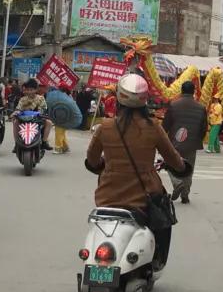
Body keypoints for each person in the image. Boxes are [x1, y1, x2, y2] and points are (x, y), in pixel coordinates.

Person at [84, 74, 186, 269]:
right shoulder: (153, 127)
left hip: (107, 196)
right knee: (164, 224)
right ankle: (156, 262)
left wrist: (100, 165)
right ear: (144, 100)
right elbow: (173, 158)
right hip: (143, 198)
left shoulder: (105, 126)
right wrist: (181, 168)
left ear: (119, 98)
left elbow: (92, 160)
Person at [162, 80, 207, 204]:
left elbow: (165, 124)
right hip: (192, 143)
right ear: (193, 92)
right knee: (189, 168)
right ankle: (185, 194)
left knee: (169, 163)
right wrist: (197, 140)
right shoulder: (201, 108)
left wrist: (162, 139)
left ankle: (177, 183)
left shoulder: (174, 105)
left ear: (181, 90)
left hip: (175, 142)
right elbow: (204, 128)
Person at [15, 78, 51, 149]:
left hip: (37, 119)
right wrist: (15, 113)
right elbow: (18, 109)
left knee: (49, 122)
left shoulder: (41, 98)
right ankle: (16, 142)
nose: (29, 92)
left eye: (31, 90)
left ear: (36, 90)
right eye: (28, 90)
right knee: (15, 122)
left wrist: (41, 113)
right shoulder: (23, 99)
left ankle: (44, 141)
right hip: (24, 120)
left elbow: (43, 109)